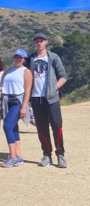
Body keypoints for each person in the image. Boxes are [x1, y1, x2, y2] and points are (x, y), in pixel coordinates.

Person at [27, 33, 68, 168]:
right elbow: (26, 76)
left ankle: (60, 155)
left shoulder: (53, 57)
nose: (39, 43)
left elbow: (63, 76)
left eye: (41, 41)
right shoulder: (31, 59)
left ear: (46, 42)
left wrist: (55, 87)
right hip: (36, 98)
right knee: (42, 128)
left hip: (52, 98)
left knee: (57, 125)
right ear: (34, 43)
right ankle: (46, 155)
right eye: (37, 41)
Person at [0, 49, 32, 168]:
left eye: (20, 57)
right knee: (13, 127)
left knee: (7, 126)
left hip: (18, 101)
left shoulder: (26, 71)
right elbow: (2, 85)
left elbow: (28, 90)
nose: (18, 59)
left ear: (24, 59)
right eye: (16, 57)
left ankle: (12, 157)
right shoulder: (10, 71)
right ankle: (18, 157)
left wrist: (24, 107)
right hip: (7, 100)